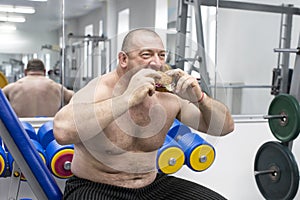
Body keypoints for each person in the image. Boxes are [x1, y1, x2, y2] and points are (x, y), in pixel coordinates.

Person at [53, 28, 234, 200]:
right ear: (123, 59)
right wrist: (127, 99)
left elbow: (224, 128)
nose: (156, 62)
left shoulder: (168, 95)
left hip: (152, 185)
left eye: (161, 55)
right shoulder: (98, 90)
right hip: (94, 186)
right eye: (146, 54)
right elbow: (62, 132)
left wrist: (200, 98)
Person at [2, 59, 74, 117]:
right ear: (44, 71)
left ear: (25, 71)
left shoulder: (12, 88)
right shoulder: (57, 87)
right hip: (49, 131)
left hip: (21, 131)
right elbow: (76, 98)